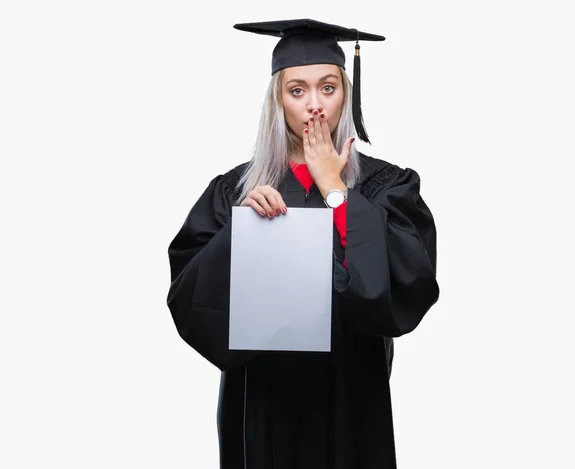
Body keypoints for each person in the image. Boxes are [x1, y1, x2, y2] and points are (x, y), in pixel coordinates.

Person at [166, 18, 440, 469]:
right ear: (277, 99)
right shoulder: (236, 189)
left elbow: (407, 286)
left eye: (328, 88)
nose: (314, 106)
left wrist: (336, 190)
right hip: (262, 399)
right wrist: (241, 233)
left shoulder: (385, 185)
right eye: (297, 91)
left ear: (345, 95)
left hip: (351, 396)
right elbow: (190, 300)